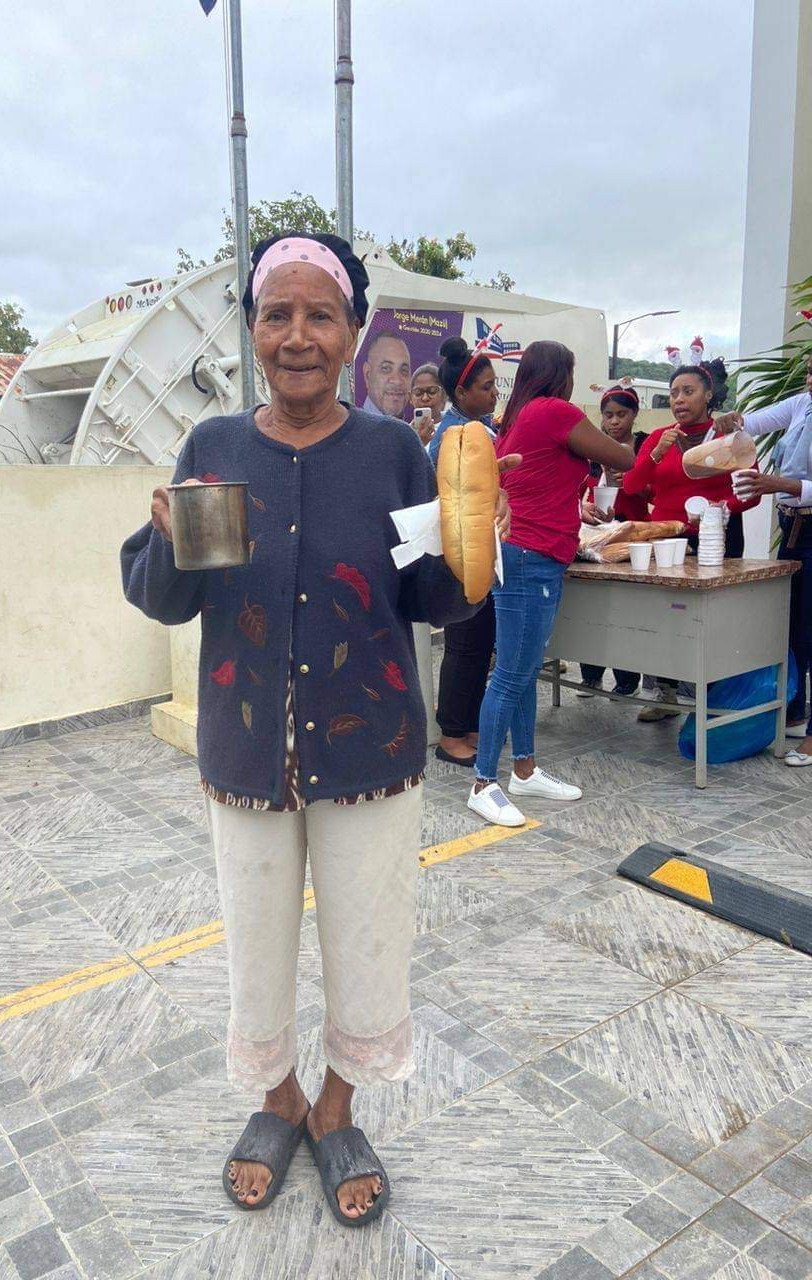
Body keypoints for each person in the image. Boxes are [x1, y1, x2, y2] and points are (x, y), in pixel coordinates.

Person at [122, 232, 518, 1227]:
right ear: (254, 329)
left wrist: (475, 551)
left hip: (369, 746)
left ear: (353, 331)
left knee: (368, 939)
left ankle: (337, 1106)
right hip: (247, 746)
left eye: (320, 315)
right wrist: (167, 541)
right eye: (276, 315)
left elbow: (430, 596)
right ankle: (279, 1098)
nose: (297, 336)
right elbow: (167, 599)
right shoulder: (214, 447)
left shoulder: (392, 452)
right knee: (255, 943)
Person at [468, 341, 636, 827]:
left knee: (522, 668)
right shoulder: (553, 411)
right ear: (561, 375)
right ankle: (483, 783)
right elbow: (624, 458)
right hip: (532, 554)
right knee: (511, 674)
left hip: (521, 551)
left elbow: (537, 482)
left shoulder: (516, 417)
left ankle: (524, 770)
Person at [622, 358, 760, 721]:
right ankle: (664, 690)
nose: (679, 400)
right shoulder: (659, 437)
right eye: (673, 394)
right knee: (665, 615)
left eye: (688, 391)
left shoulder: (729, 437)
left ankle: (715, 696)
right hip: (667, 539)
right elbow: (632, 487)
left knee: (713, 618)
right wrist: (655, 453)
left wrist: (720, 508)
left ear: (708, 395)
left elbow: (751, 492)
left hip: (719, 538)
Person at [713, 353, 812, 764]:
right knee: (793, 626)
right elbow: (752, 424)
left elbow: (791, 482)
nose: (810, 379)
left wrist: (780, 484)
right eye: (810, 371)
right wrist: (732, 421)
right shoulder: (803, 403)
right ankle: (795, 711)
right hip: (795, 526)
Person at [427, 336, 500, 766]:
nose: (493, 394)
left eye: (494, 386)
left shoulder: (478, 429)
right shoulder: (453, 435)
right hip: (459, 553)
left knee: (479, 644)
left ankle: (469, 724)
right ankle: (451, 734)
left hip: (480, 550)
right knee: (465, 646)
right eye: (486, 387)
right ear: (461, 392)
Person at [578, 384, 648, 697]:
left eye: (622, 414)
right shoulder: (593, 447)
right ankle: (590, 675)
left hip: (631, 536)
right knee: (593, 608)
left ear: (634, 414)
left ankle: (627, 679)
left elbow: (656, 491)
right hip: (597, 537)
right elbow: (581, 488)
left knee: (627, 610)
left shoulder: (644, 447)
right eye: (609, 415)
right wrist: (585, 509)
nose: (615, 421)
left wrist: (632, 483)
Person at [361, 331, 412, 418]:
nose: (397, 381)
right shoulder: (351, 425)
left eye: (404, 370)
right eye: (386, 368)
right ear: (367, 375)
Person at [409, 362, 446, 447]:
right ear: (410, 397)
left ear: (444, 395)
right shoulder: (403, 434)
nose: (425, 398)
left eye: (432, 391)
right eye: (418, 393)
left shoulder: (455, 429)